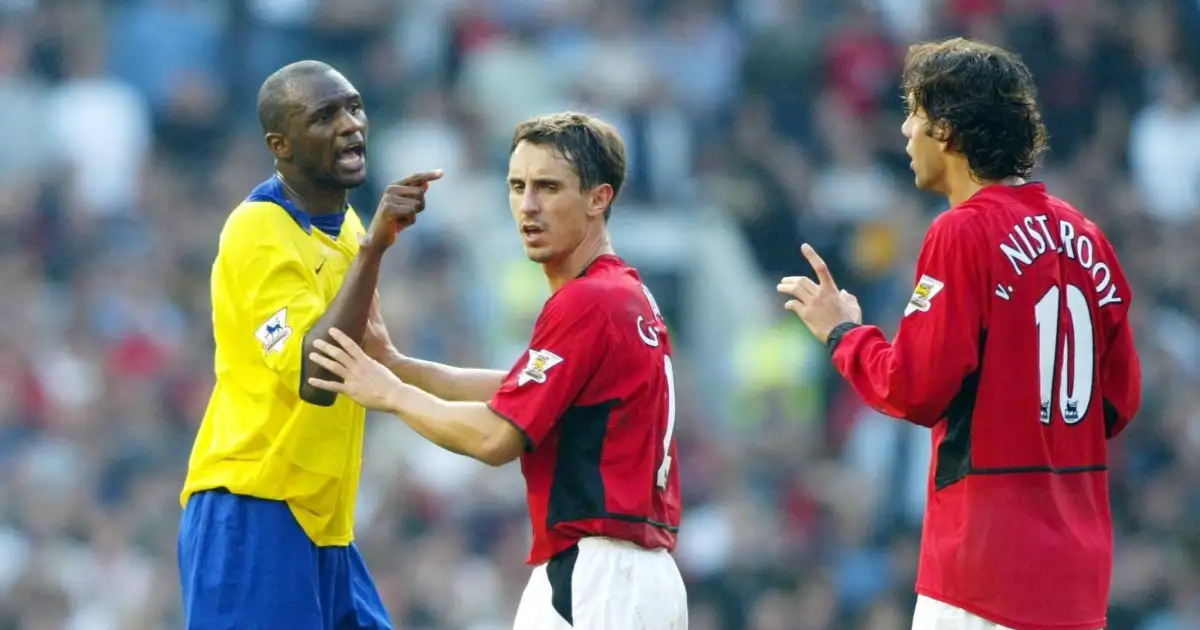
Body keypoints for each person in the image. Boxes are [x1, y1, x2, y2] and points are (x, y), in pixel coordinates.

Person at [778, 38, 1142, 630]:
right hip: (1079, 572)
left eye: (914, 114)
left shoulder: (962, 232)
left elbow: (916, 387)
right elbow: (1119, 401)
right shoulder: (1089, 239)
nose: (903, 132)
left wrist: (843, 333)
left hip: (984, 569)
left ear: (946, 131)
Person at [305, 112, 689, 630]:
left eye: (548, 187)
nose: (528, 206)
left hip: (602, 575)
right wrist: (402, 366)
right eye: (517, 186)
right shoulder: (624, 293)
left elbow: (495, 438)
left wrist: (390, 392)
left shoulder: (589, 301)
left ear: (599, 198)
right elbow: (522, 390)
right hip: (630, 575)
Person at [177, 59, 442, 629]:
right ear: (282, 145)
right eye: (324, 116)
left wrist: (525, 392)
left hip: (322, 522)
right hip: (252, 508)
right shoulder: (255, 231)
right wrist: (374, 251)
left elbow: (379, 364)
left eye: (353, 106)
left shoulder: (347, 229)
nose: (350, 125)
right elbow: (315, 376)